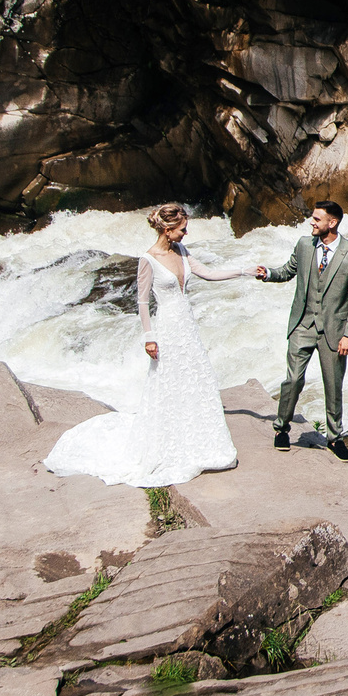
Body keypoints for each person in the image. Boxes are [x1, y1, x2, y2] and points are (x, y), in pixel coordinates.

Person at [42, 203, 241, 487]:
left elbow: (209, 273)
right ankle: (167, 442)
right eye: (183, 229)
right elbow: (143, 301)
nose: (186, 233)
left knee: (196, 379)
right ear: (168, 229)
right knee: (168, 383)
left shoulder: (183, 252)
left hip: (187, 328)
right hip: (167, 329)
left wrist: (245, 272)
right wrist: (150, 336)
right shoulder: (148, 259)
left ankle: (197, 439)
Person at [254, 200, 348, 459]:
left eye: (317, 219)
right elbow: (288, 271)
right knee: (292, 380)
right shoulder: (304, 245)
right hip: (302, 325)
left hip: (335, 332)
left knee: (333, 385)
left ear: (332, 223)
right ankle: (281, 428)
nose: (311, 223)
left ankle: (334, 437)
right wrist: (268, 273)